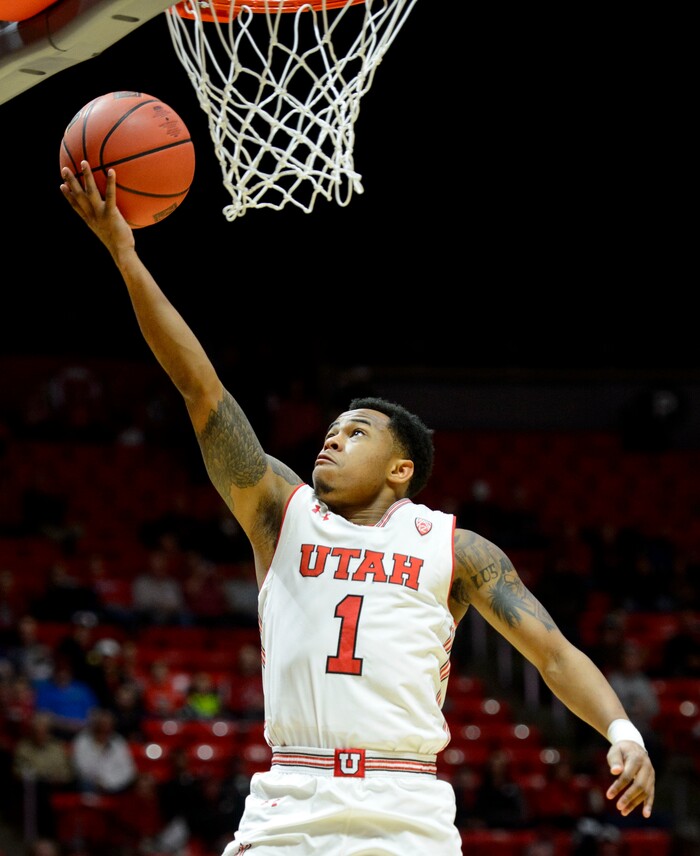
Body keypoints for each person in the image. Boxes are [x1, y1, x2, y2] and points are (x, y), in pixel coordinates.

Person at [60, 162, 656, 854]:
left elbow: (551, 653)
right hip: (290, 800)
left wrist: (623, 731)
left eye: (356, 432)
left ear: (401, 469)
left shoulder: (457, 549)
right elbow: (201, 389)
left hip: (404, 808)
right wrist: (125, 256)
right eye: (332, 429)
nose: (333, 438)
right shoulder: (281, 510)